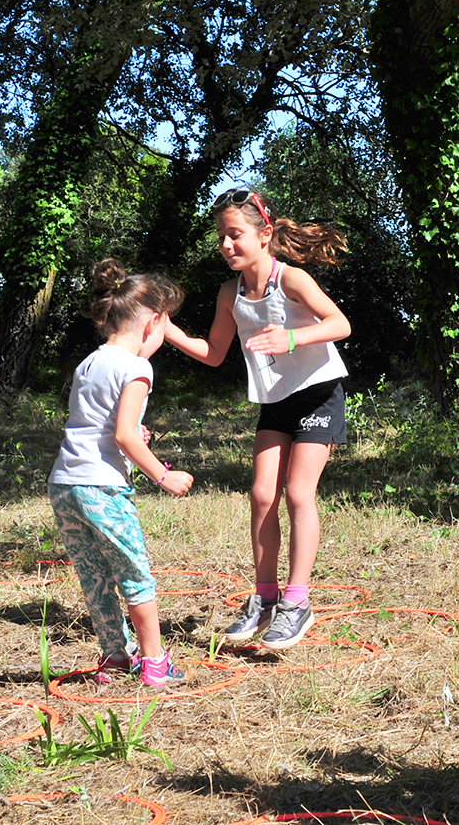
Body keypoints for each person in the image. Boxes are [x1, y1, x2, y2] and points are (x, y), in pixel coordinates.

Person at [164, 189, 352, 650]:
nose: (227, 245)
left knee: (297, 492)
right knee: (261, 493)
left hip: (318, 395)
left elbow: (340, 324)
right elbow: (212, 354)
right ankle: (265, 597)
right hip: (276, 401)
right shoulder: (230, 293)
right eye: (221, 237)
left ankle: (297, 601)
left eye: (235, 234)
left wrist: (291, 338)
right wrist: (167, 331)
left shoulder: (293, 280)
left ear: (264, 235)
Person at [49, 259, 194, 687]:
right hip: (102, 489)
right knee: (134, 575)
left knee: (94, 577)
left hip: (65, 485)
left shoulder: (89, 363)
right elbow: (124, 435)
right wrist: (162, 474)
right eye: (166, 330)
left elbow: (95, 422)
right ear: (151, 323)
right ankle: (154, 662)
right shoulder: (137, 367)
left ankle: (114, 657)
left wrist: (132, 434)